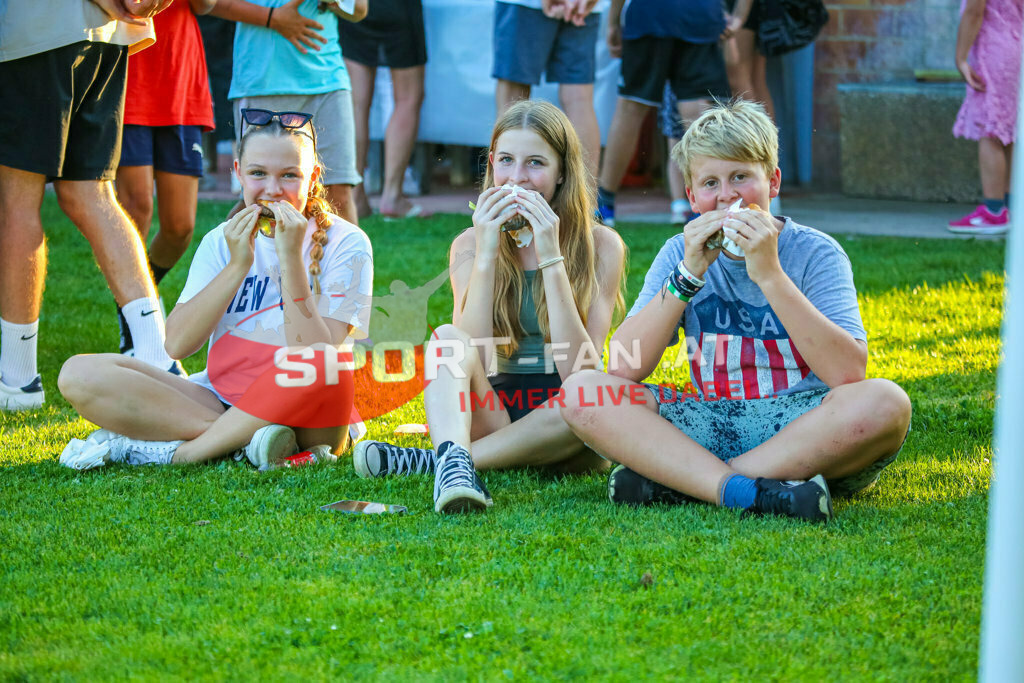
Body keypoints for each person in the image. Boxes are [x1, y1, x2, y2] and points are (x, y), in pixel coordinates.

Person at [561, 99, 912, 522]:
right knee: (582, 391)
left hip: (805, 423)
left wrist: (770, 274)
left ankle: (685, 482)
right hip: (711, 418)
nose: (726, 196)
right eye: (710, 183)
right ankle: (757, 490)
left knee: (886, 402)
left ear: (773, 182)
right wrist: (688, 274)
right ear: (691, 196)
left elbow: (849, 374)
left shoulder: (816, 253)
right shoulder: (679, 253)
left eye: (741, 177)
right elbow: (620, 367)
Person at [57, 109, 374, 470]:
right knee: (77, 374)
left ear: (312, 176)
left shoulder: (348, 243)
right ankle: (247, 442)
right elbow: (176, 345)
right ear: (237, 172)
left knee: (323, 363)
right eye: (258, 174)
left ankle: (186, 452)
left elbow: (316, 357)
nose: (272, 190)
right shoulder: (220, 244)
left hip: (311, 415)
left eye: (289, 175)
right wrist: (237, 265)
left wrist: (290, 258)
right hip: (219, 399)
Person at [352, 100, 626, 514]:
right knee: (446, 338)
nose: (517, 178)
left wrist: (550, 255)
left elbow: (581, 373)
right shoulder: (468, 244)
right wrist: (485, 253)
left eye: (535, 163)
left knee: (588, 398)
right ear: (492, 166)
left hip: (570, 425)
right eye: (506, 161)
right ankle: (457, 461)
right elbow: (471, 354)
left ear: (562, 173)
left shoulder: (602, 246)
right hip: (492, 412)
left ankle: (444, 460)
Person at [0, 0, 181, 412]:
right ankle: (159, 357)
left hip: (37, 28)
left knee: (17, 199)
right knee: (92, 194)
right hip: (108, 33)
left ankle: (18, 382)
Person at [114, 0, 217, 355]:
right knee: (136, 208)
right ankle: (135, 326)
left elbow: (207, 5)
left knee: (179, 228)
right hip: (130, 72)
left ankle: (139, 296)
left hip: (180, 77)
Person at [218, 0, 368, 226]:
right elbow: (209, 4)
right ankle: (219, 260)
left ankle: (345, 262)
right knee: (256, 200)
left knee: (338, 192)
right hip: (263, 81)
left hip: (327, 80)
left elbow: (359, 9)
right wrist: (272, 17)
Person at [596, 0, 731, 227]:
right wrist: (732, 14)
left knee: (631, 107)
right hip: (701, 14)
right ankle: (710, 204)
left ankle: (604, 206)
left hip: (649, 14)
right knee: (696, 109)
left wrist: (613, 21)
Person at [492, 0, 605, 179]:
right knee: (579, 99)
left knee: (512, 98)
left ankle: (505, 196)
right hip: (582, 5)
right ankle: (587, 203)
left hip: (526, 5)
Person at [338, 0, 429, 219]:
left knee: (356, 103)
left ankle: (356, 196)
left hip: (355, 7)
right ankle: (392, 196)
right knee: (408, 98)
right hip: (397, 9)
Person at [948, 0, 1021, 235]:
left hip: (995, 51)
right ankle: (1011, 207)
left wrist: (960, 58)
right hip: (1017, 47)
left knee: (990, 130)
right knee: (1008, 130)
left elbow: (974, 11)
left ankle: (994, 211)